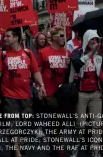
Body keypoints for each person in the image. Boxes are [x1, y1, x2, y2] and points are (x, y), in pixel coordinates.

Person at [0, 27, 46, 157]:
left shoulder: (28, 53)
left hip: (26, 95)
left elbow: (35, 71)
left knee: (25, 125)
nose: (5, 38)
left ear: (16, 38)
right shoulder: (2, 55)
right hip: (9, 96)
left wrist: (42, 85)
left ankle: (17, 148)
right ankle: (17, 153)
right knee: (14, 125)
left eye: (8, 36)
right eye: (5, 36)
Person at [69, 30, 103, 157]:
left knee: (96, 125)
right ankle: (76, 148)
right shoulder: (77, 53)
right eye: (92, 40)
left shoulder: (99, 56)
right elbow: (77, 64)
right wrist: (91, 53)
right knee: (81, 125)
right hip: (81, 94)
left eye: (97, 40)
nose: (95, 42)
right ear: (86, 40)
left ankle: (96, 151)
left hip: (95, 94)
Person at [38, 26, 71, 157]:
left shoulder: (67, 52)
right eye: (62, 35)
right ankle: (57, 146)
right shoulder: (44, 52)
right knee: (54, 117)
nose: (64, 37)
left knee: (60, 120)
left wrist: (69, 64)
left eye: (64, 35)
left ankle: (53, 144)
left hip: (62, 92)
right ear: (54, 38)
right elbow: (38, 70)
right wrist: (40, 86)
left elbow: (71, 74)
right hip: (49, 90)